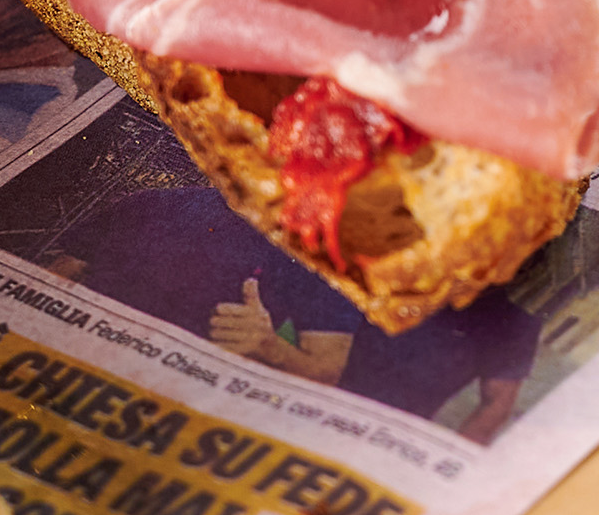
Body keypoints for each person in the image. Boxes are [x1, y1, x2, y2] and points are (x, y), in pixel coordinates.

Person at [47, 183, 540, 445]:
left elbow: (495, 406)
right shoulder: (150, 205)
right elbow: (61, 270)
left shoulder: (510, 322)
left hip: (357, 431)